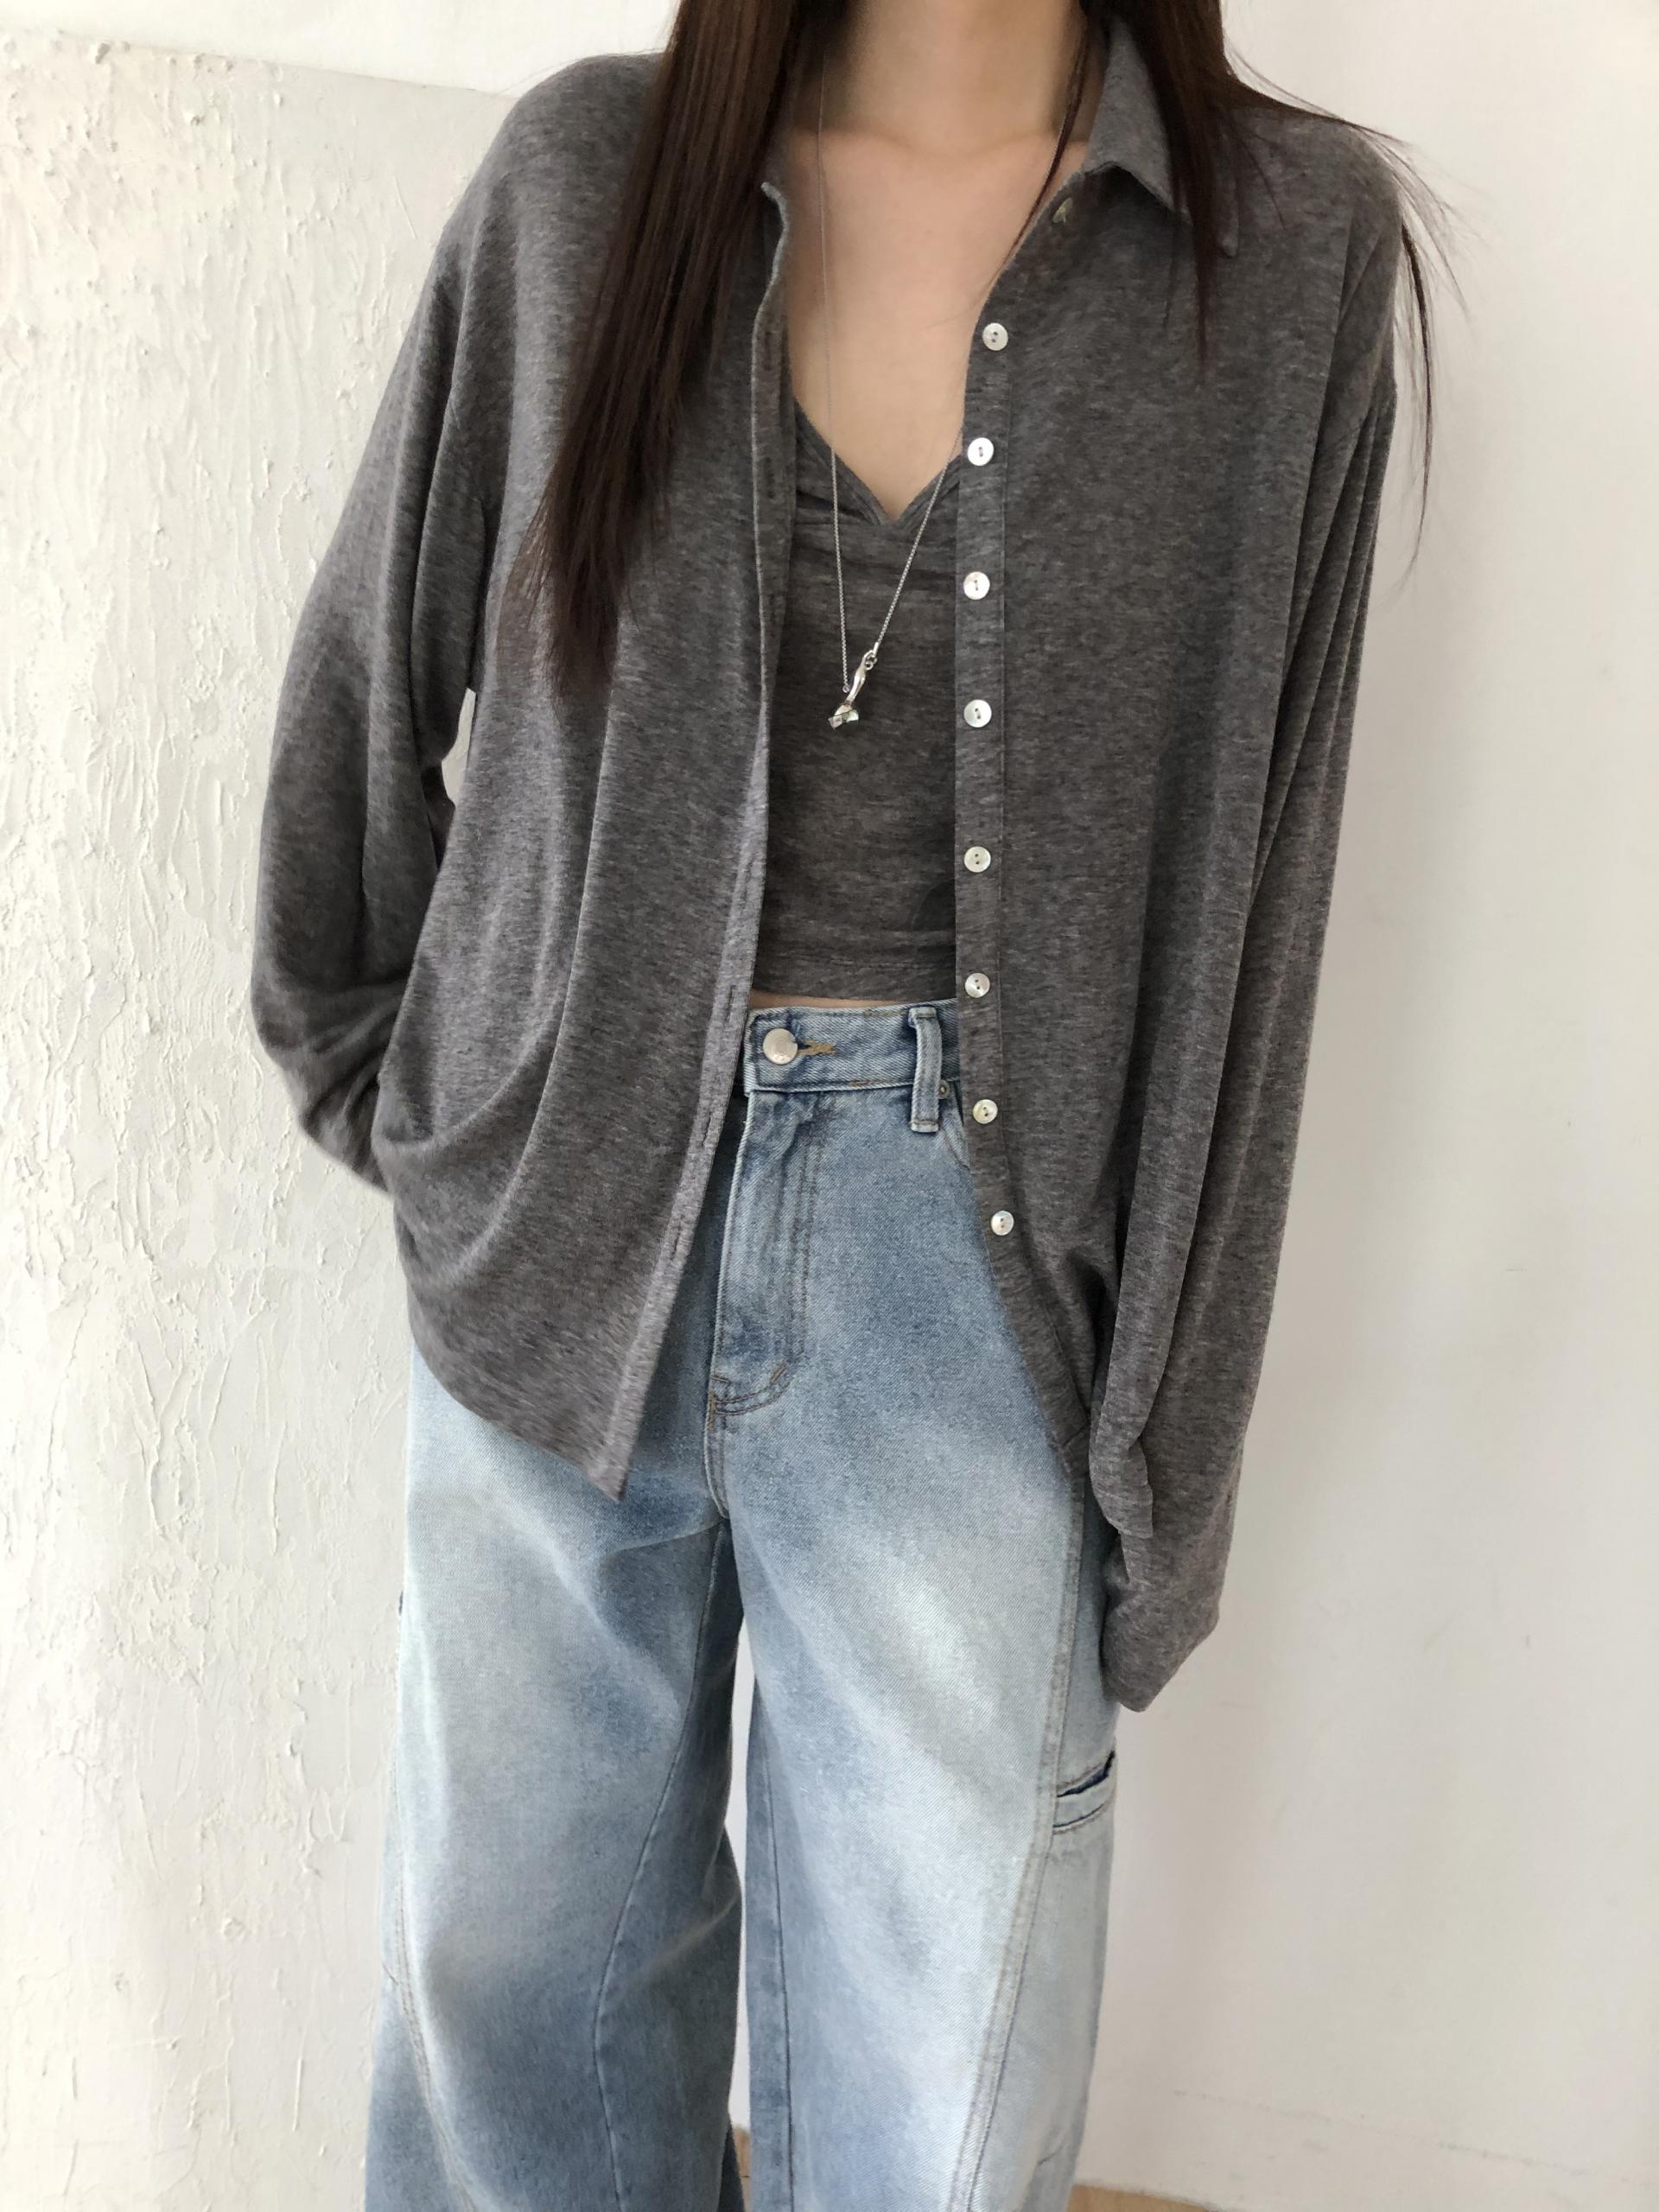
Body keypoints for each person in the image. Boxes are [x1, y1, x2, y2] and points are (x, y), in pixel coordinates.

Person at [250, 3, 1441, 2204]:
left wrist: (1165, 1422)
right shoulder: (589, 185)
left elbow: (1264, 893)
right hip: (561, 1216)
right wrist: (425, 1121)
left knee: (938, 2107)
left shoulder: (1290, 255)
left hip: (978, 1280)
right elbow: (367, 682)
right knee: (513, 2034)